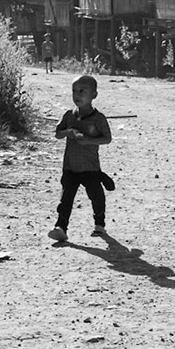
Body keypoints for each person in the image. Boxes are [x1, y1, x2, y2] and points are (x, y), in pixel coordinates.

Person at [49, 73, 113, 242]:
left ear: (94, 95)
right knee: (66, 199)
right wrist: (67, 132)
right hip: (70, 167)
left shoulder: (98, 119)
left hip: (90, 168)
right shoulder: (69, 115)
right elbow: (57, 134)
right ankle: (60, 227)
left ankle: (100, 225)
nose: (77, 95)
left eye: (82, 91)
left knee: (96, 196)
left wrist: (89, 141)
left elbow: (107, 138)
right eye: (74, 91)